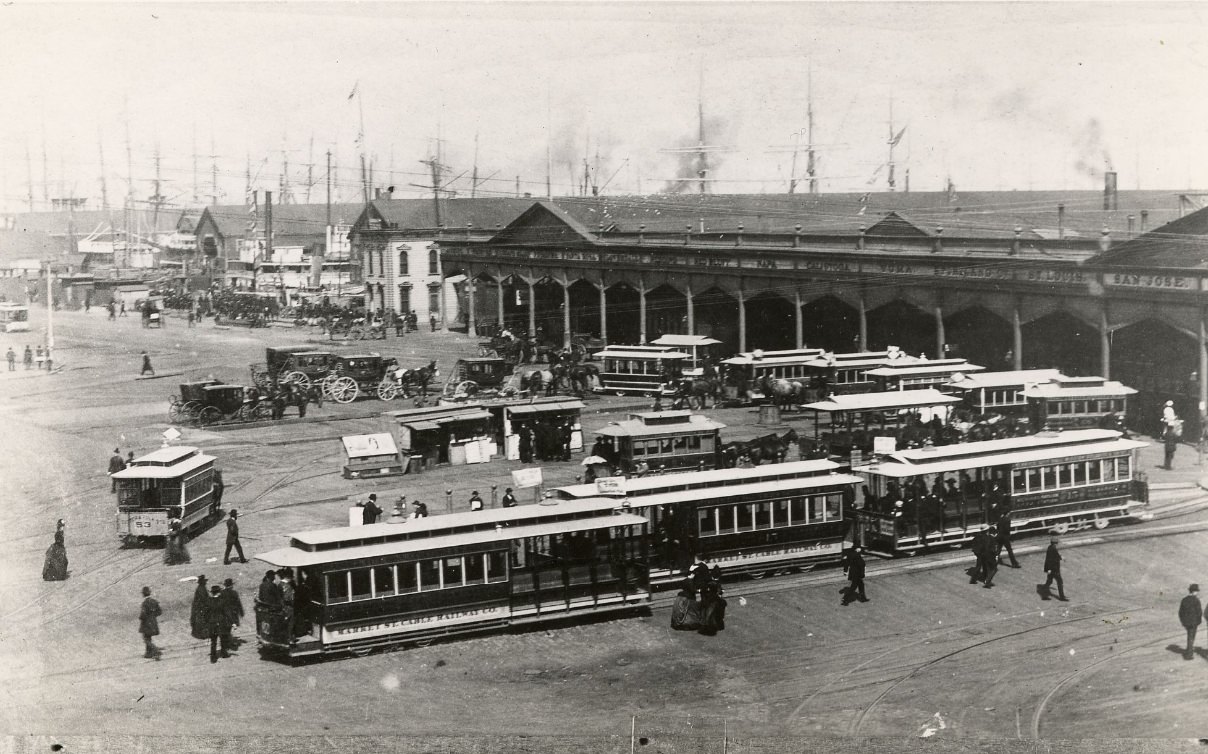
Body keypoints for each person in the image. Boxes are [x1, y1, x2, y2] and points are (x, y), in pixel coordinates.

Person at [1179, 583, 1203, 660]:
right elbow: (1199, 612)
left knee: (1189, 636)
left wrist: (1183, 621)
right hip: (1193, 622)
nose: (1197, 593)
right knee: (1191, 637)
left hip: (1186, 622)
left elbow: (1180, 612)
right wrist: (1198, 621)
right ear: (1194, 591)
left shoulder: (1184, 600)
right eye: (1197, 591)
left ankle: (1188, 650)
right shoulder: (1196, 600)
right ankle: (1189, 654)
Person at [220, 577, 244, 652]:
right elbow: (238, 603)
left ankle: (226, 643)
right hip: (233, 613)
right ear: (231, 585)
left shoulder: (222, 593)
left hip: (224, 613)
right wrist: (241, 612)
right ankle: (228, 643)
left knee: (225, 628)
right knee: (229, 627)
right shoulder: (234, 593)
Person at [206, 584, 228, 663]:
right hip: (221, 622)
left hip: (212, 623)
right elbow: (225, 612)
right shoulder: (222, 601)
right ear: (218, 592)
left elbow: (206, 613)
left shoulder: (208, 601)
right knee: (223, 639)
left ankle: (213, 658)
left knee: (213, 641)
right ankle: (224, 653)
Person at [139, 586, 162, 660]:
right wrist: (153, 616)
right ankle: (148, 653)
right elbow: (159, 612)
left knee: (146, 638)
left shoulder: (144, 603)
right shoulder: (154, 601)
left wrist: (141, 618)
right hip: (153, 622)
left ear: (143, 594)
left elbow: (143, 614)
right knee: (148, 637)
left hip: (146, 623)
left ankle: (155, 650)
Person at [1042, 535, 1067, 601]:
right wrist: (1049, 569)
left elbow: (1056, 556)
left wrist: (1061, 557)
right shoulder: (1053, 549)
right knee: (1060, 582)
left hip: (1051, 569)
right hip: (1054, 569)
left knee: (1049, 582)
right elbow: (1051, 559)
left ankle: (1044, 595)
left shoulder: (1050, 547)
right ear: (1056, 543)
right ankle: (1062, 597)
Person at [276, 569, 295, 641]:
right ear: (288, 577)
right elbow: (288, 598)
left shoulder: (280, 584)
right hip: (288, 607)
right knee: (290, 623)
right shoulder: (287, 586)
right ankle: (290, 639)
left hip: (283, 607)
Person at [190, 575, 211, 640]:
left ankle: (199, 633)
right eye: (204, 581)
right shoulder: (201, 589)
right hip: (200, 607)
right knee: (202, 620)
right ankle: (202, 635)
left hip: (198, 607)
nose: (205, 582)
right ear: (203, 582)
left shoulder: (201, 587)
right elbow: (204, 599)